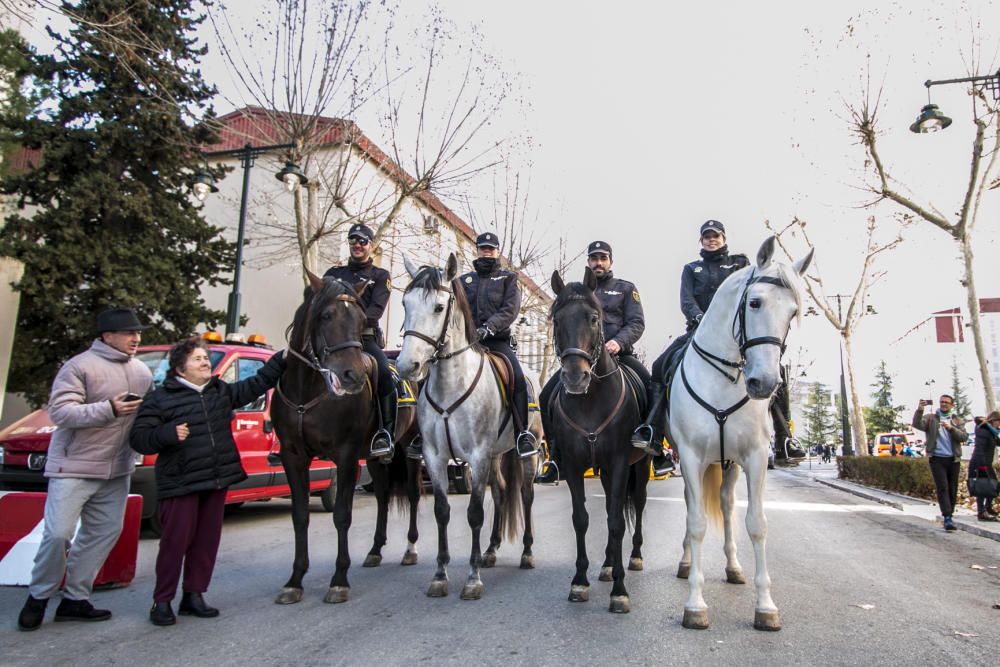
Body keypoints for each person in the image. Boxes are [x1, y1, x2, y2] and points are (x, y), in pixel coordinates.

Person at [130, 336, 285, 626]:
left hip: (215, 480)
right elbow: (139, 439)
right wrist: (167, 434)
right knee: (175, 543)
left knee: (206, 542)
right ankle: (162, 600)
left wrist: (282, 358)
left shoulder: (218, 391)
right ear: (180, 367)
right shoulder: (160, 398)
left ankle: (194, 594)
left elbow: (257, 383)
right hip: (181, 482)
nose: (204, 362)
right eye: (197, 358)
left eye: (205, 357)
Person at [17, 308, 153, 632]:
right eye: (128, 333)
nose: (135, 338)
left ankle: (75, 599)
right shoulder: (79, 366)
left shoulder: (143, 373)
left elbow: (147, 417)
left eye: (138, 333)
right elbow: (61, 412)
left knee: (103, 533)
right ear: (107, 336)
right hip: (73, 467)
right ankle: (38, 596)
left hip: (117, 469)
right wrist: (109, 409)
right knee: (58, 534)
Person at [630, 220, 806, 465]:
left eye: (716, 236)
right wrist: (699, 318)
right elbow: (686, 301)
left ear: (724, 238)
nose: (711, 240)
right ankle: (654, 432)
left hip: (737, 335)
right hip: (698, 331)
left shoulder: (740, 264)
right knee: (660, 365)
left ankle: (784, 437)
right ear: (701, 241)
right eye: (707, 237)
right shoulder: (691, 269)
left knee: (776, 370)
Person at [409, 231, 537, 459]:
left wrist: (488, 327)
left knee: (517, 377)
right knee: (430, 375)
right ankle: (423, 435)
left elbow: (510, 310)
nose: (486, 252)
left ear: (497, 252)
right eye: (482, 248)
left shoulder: (508, 279)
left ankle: (521, 433)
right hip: (465, 342)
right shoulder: (463, 280)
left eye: (490, 248)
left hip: (496, 341)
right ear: (477, 250)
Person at [536, 240, 651, 483]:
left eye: (603, 258)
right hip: (584, 358)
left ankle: (653, 443)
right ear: (588, 262)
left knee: (650, 384)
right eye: (594, 258)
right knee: (546, 396)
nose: (598, 263)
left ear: (610, 261)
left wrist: (618, 342)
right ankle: (556, 457)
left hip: (619, 355)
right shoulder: (578, 292)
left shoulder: (624, 289)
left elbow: (636, 323)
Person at [323, 223, 396, 461]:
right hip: (333, 341)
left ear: (371, 246)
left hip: (364, 338)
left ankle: (386, 432)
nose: (357, 245)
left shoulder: (380, 277)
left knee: (385, 373)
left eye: (362, 241)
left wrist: (350, 321)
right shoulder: (333, 274)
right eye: (353, 241)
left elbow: (376, 310)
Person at [912, 394, 968, 531]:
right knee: (943, 486)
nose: (944, 404)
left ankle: (950, 513)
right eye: (942, 402)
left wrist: (951, 428)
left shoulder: (957, 420)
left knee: (952, 487)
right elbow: (917, 424)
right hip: (937, 458)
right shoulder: (931, 418)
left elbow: (964, 437)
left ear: (952, 405)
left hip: (953, 459)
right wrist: (919, 410)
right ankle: (947, 517)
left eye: (947, 402)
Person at [969, 411, 1000, 521]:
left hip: (986, 463)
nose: (999, 425)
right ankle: (981, 511)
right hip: (980, 462)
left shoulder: (991, 431)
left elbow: (998, 442)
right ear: (993, 421)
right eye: (998, 422)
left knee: (994, 486)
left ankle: (988, 507)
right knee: (982, 487)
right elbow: (980, 449)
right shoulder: (983, 429)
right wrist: (982, 466)